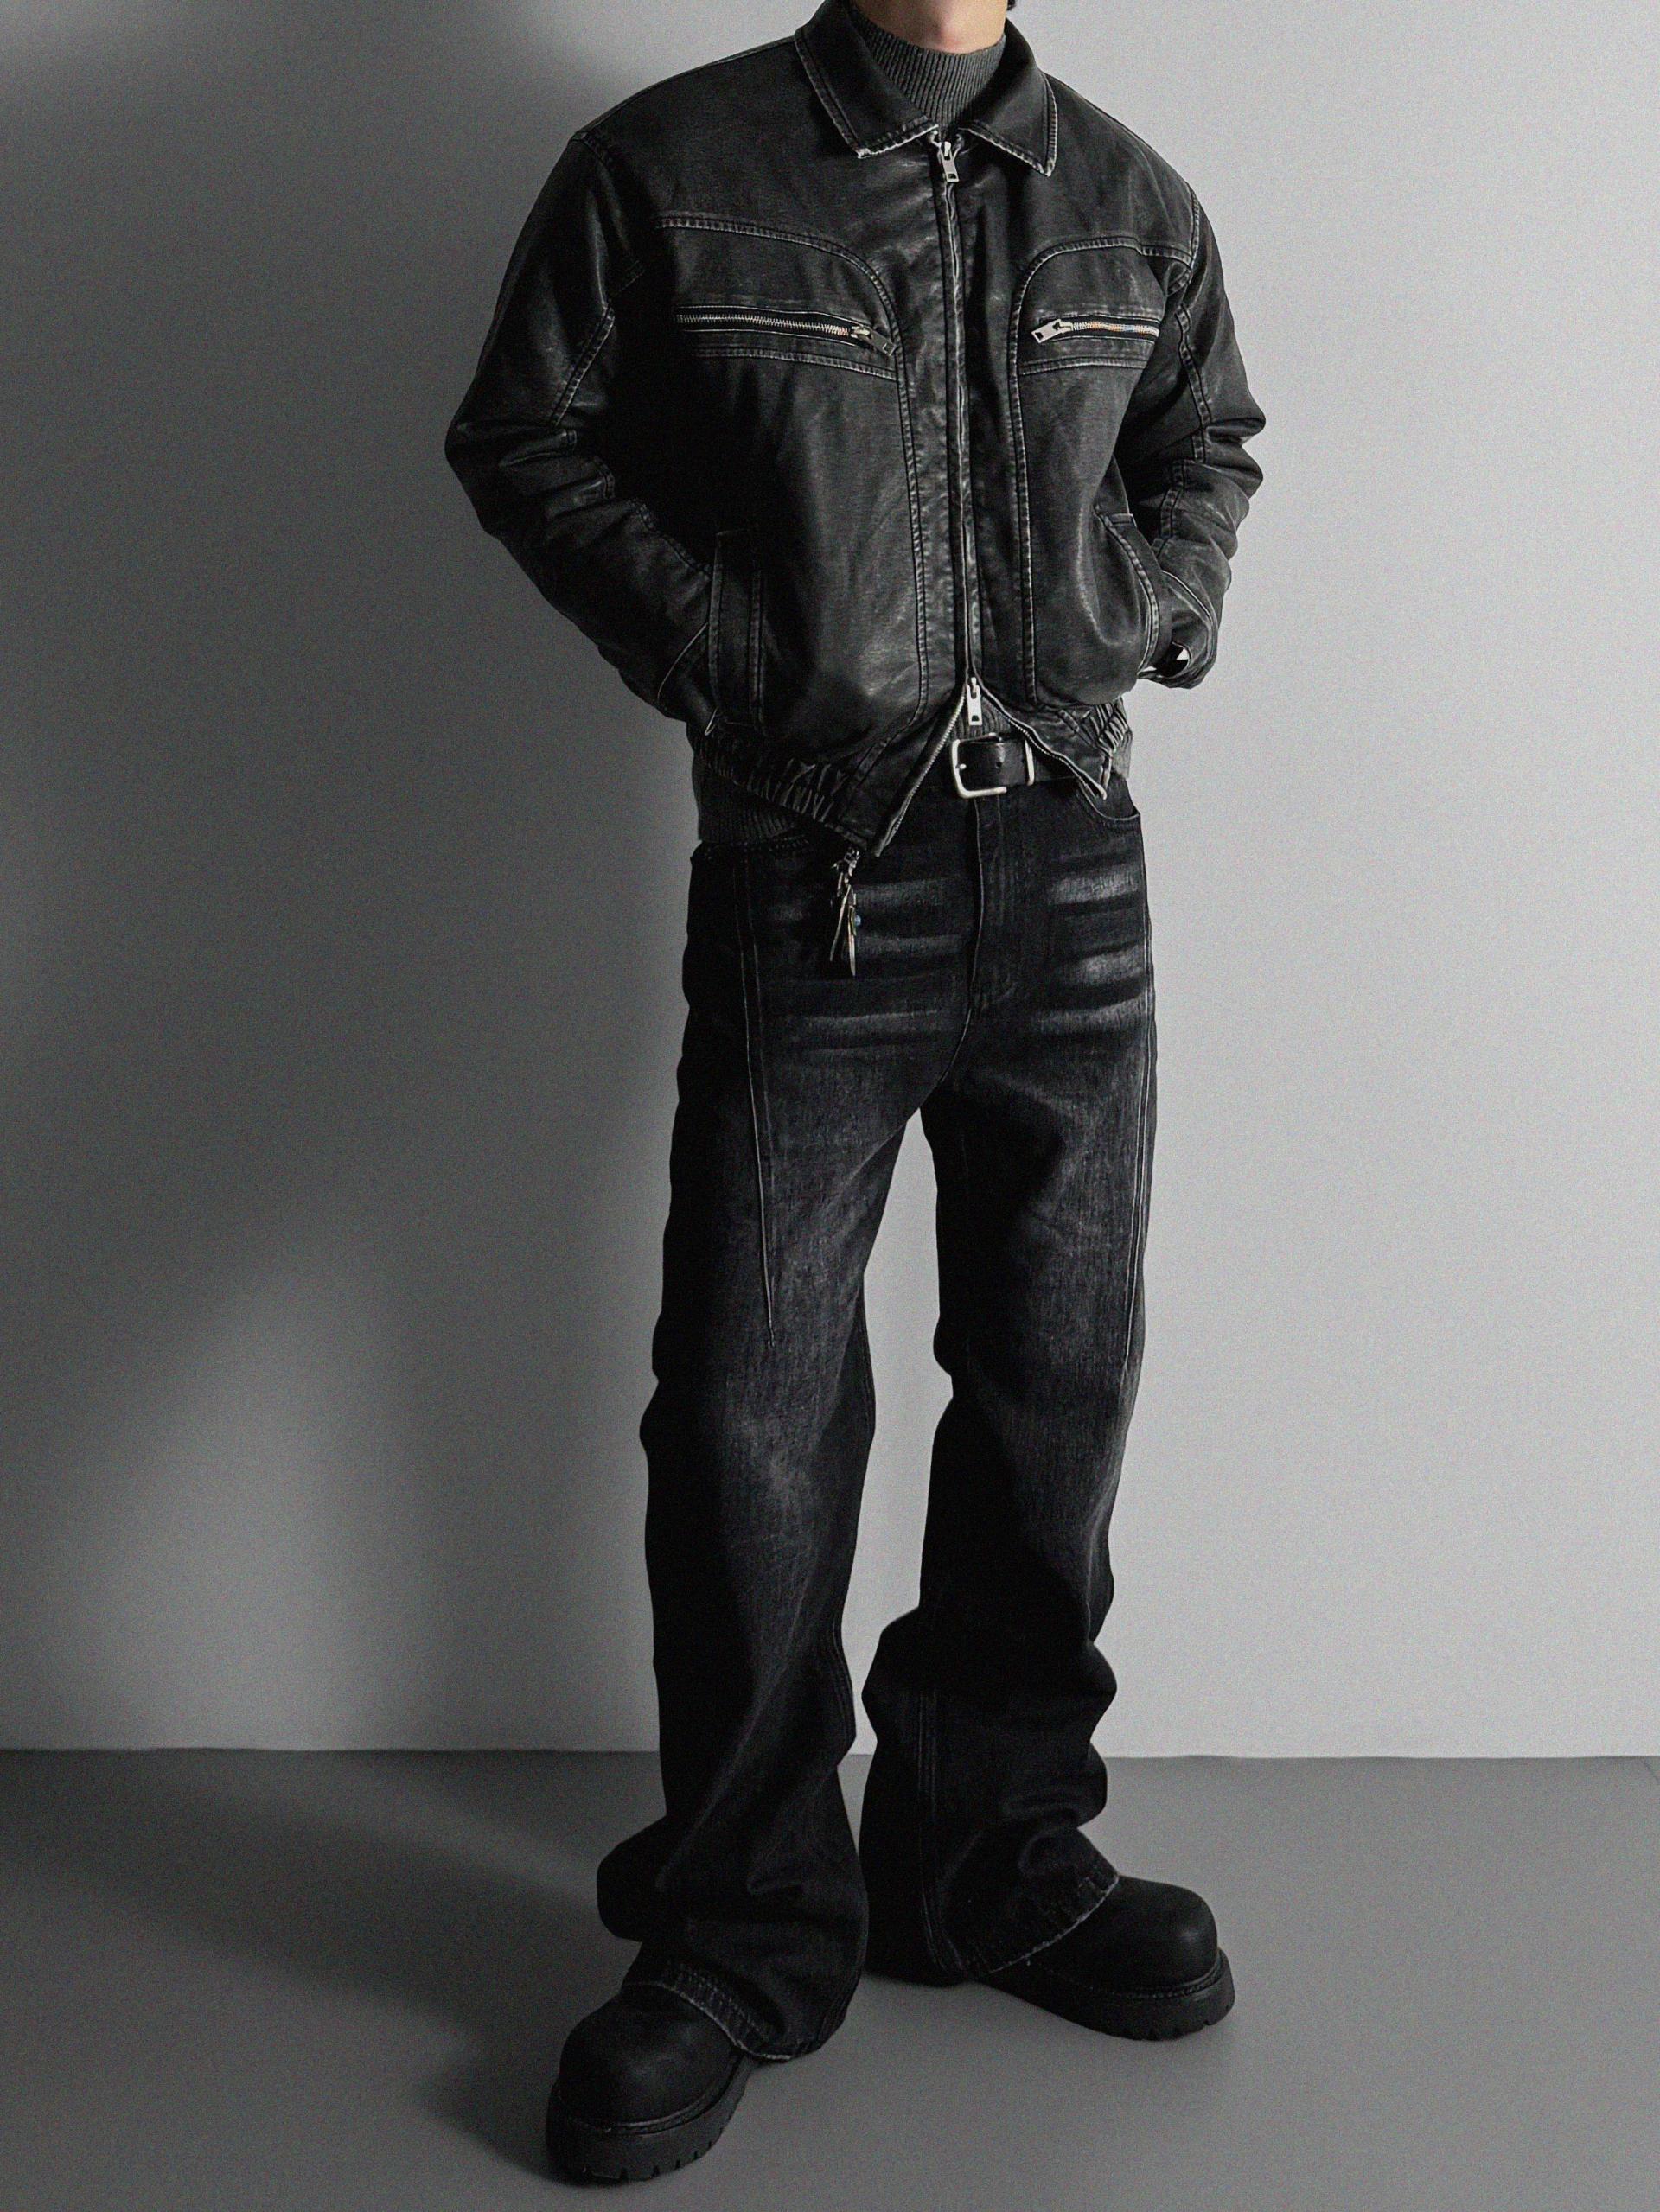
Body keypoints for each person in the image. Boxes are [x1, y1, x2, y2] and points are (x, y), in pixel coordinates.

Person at [445, 0, 1264, 2182]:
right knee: (750, 1406)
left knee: (1058, 1379)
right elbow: (523, 432)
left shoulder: (1130, 196)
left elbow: (1207, 441)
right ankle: (743, 1921)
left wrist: (1153, 598)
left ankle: (988, 1851)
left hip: (1076, 871)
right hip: (816, 871)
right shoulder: (668, 173)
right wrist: (733, 648)